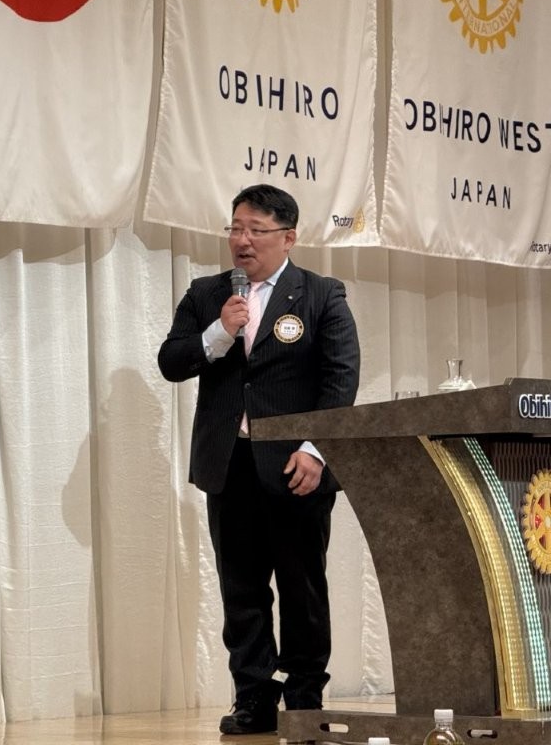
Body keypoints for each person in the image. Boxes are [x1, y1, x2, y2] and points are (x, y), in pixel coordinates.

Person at [158, 184, 360, 735]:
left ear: (288, 238)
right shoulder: (207, 294)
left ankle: (304, 698)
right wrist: (219, 332)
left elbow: (340, 379)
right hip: (229, 466)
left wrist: (316, 450)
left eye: (256, 230)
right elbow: (171, 362)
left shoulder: (321, 295)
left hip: (298, 469)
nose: (242, 241)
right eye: (235, 228)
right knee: (241, 591)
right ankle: (253, 697)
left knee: (302, 589)